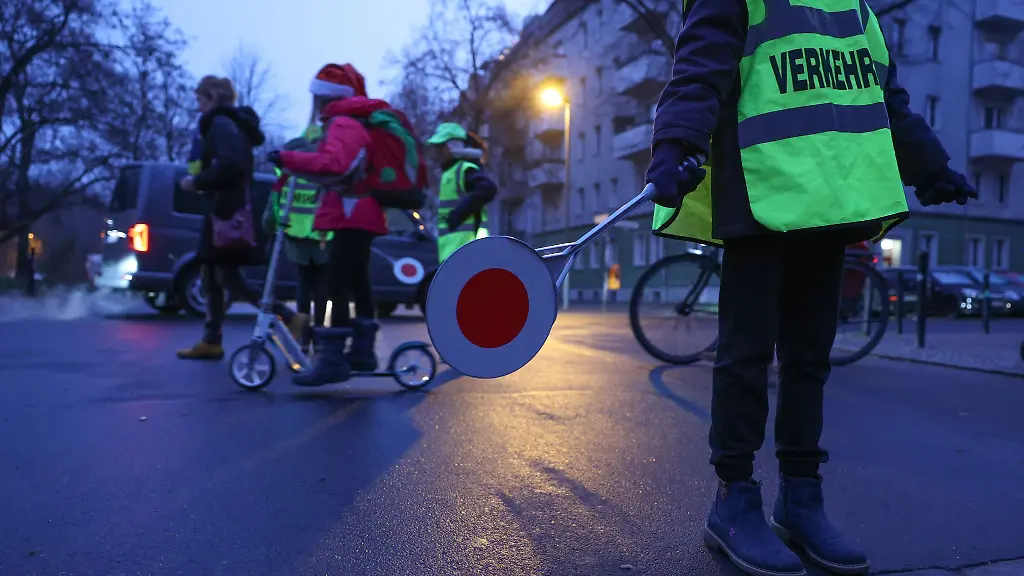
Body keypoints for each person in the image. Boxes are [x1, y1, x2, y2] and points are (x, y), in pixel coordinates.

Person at [645, 2, 976, 575]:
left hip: (830, 199)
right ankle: (734, 499)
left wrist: (929, 167)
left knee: (809, 357)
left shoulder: (851, 5)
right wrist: (676, 143)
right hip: (760, 196)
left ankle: (801, 497)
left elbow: (882, 97)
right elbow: (700, 69)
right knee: (746, 355)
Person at [267, 63, 388, 385]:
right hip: (360, 212)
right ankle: (362, 353)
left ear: (325, 98)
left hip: (352, 213)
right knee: (357, 282)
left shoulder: (344, 123)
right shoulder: (354, 121)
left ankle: (332, 360)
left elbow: (334, 164)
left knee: (336, 283)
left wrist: (288, 159)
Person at [176, 75, 302, 360]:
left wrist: (196, 182)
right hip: (226, 210)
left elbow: (230, 166)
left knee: (227, 278)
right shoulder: (230, 125)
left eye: (200, 100)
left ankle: (285, 317)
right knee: (214, 275)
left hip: (224, 212)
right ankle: (212, 338)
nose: (198, 107)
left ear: (213, 98)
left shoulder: (221, 125)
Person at [263, 143, 333, 351]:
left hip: (295, 234)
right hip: (323, 235)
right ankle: (319, 336)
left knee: (304, 285)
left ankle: (303, 338)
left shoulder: (288, 171)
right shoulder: (325, 167)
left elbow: (275, 203)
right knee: (321, 287)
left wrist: (269, 227)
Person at [424, 122, 497, 263]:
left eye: (441, 147)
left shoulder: (463, 169)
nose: (437, 151)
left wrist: (458, 215)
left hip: (468, 254)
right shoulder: (451, 172)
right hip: (455, 255)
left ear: (451, 147)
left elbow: (487, 189)